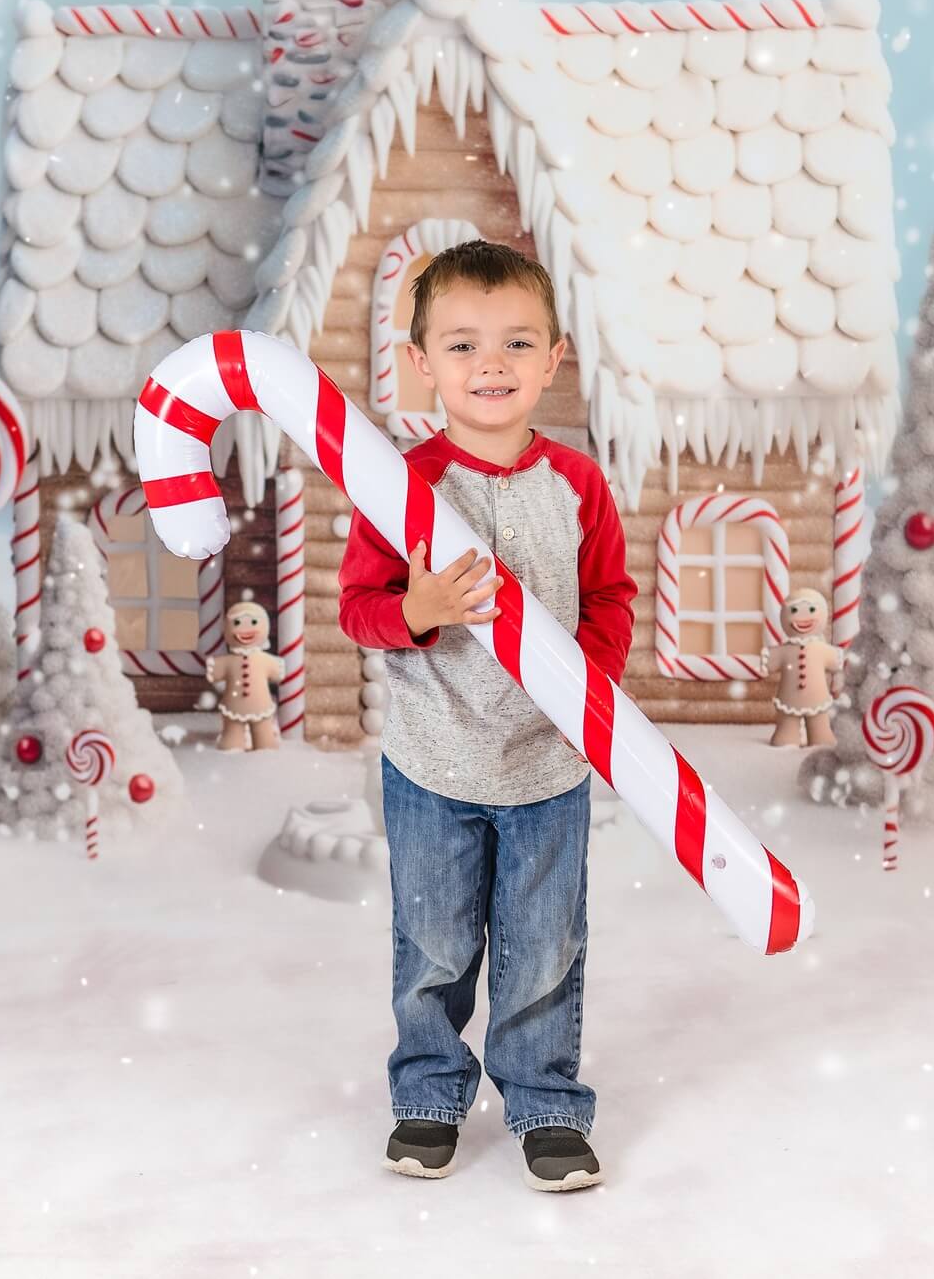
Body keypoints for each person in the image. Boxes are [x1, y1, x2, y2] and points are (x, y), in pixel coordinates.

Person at [338, 240, 637, 1193]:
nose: (491, 364)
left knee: (544, 945)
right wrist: (418, 608)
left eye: (516, 342)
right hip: (432, 761)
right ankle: (429, 1090)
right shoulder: (401, 488)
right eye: (462, 344)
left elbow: (612, 598)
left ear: (553, 359)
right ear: (420, 361)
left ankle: (545, 1101)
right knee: (433, 943)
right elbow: (359, 609)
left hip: (547, 766)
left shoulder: (578, 485)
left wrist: (586, 683)